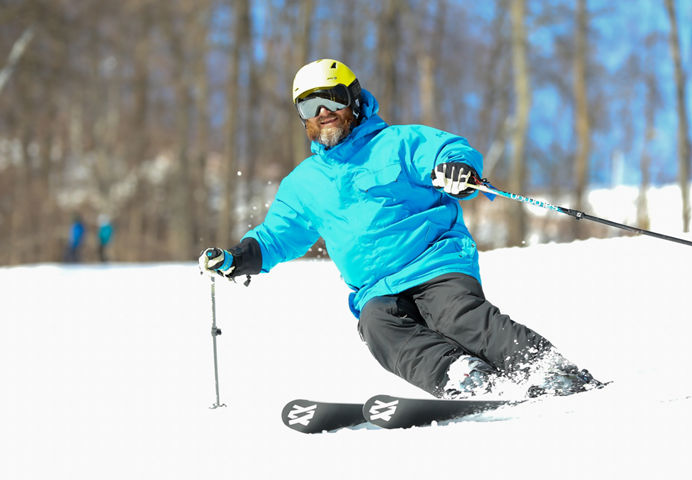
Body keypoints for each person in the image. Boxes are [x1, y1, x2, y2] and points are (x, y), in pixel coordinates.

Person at [199, 59, 602, 399]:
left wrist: (456, 167)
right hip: (375, 290)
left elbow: (448, 149)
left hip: (434, 263)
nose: (322, 112)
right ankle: (463, 376)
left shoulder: (398, 141)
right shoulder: (302, 184)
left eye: (332, 99)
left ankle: (551, 371)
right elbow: (276, 237)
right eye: (309, 106)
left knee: (458, 317)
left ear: (354, 101)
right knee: (379, 330)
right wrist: (238, 257)